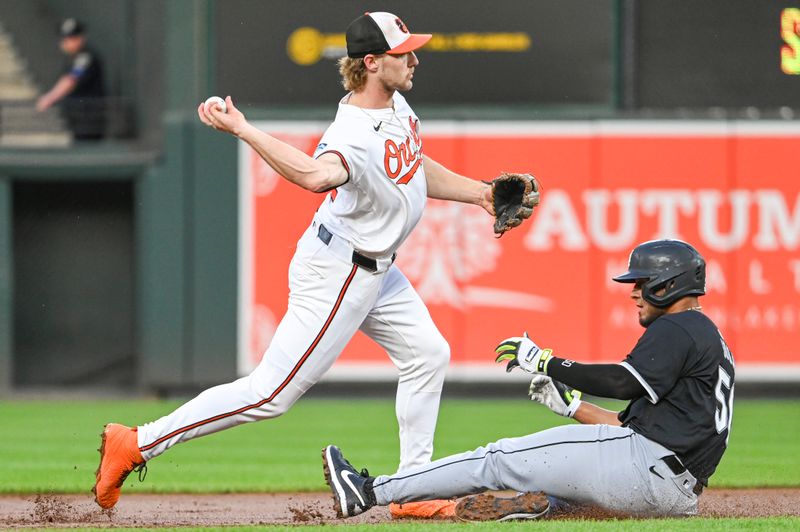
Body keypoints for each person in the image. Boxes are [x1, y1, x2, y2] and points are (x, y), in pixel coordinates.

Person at [92, 12, 511, 519]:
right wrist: (244, 129)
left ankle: (411, 490)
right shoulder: (351, 132)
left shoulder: (397, 105)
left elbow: (413, 166)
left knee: (428, 355)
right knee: (270, 394)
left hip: (378, 270)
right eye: (403, 53)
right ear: (372, 62)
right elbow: (316, 176)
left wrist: (481, 194)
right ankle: (136, 442)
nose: (415, 58)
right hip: (341, 271)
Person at [322, 239, 736, 521]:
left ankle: (369, 490)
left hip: (640, 473)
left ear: (668, 284)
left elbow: (622, 380)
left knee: (497, 459)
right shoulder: (706, 336)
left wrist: (546, 360)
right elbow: (636, 429)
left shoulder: (677, 327)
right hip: (673, 495)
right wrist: (575, 408)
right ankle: (546, 506)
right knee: (553, 491)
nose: (634, 292)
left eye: (641, 283)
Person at [36, 18, 106, 140]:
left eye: (72, 38)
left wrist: (50, 98)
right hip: (78, 119)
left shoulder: (85, 57)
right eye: (66, 39)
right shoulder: (73, 59)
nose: (67, 42)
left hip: (89, 120)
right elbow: (66, 78)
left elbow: (71, 80)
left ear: (81, 38)